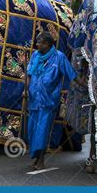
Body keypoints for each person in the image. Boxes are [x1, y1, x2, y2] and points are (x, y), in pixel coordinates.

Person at [26, 31, 77, 170]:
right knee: (32, 131)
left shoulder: (59, 57)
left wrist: (83, 85)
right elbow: (29, 74)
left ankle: (41, 161)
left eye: (40, 42)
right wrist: (26, 89)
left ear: (47, 44)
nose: (37, 44)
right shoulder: (35, 56)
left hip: (48, 101)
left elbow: (71, 74)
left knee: (42, 132)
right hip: (33, 100)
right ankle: (35, 159)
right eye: (37, 42)